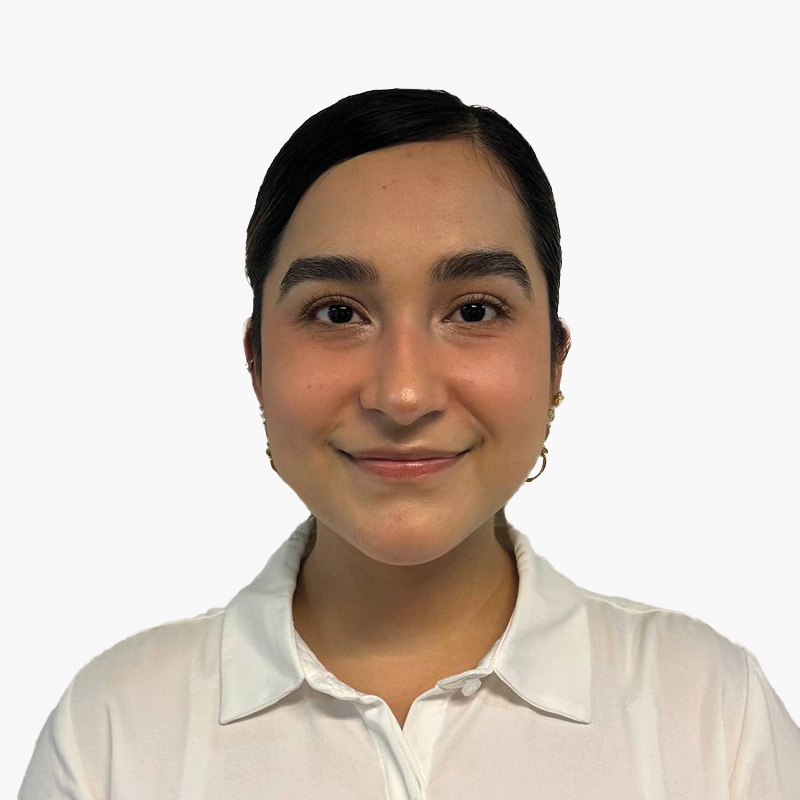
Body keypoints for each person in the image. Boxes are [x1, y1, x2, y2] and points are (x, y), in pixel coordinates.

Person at [19, 88, 800, 799]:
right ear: (256, 363)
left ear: (554, 363)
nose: (402, 394)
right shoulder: (114, 732)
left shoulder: (710, 713)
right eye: (336, 313)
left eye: (474, 311)